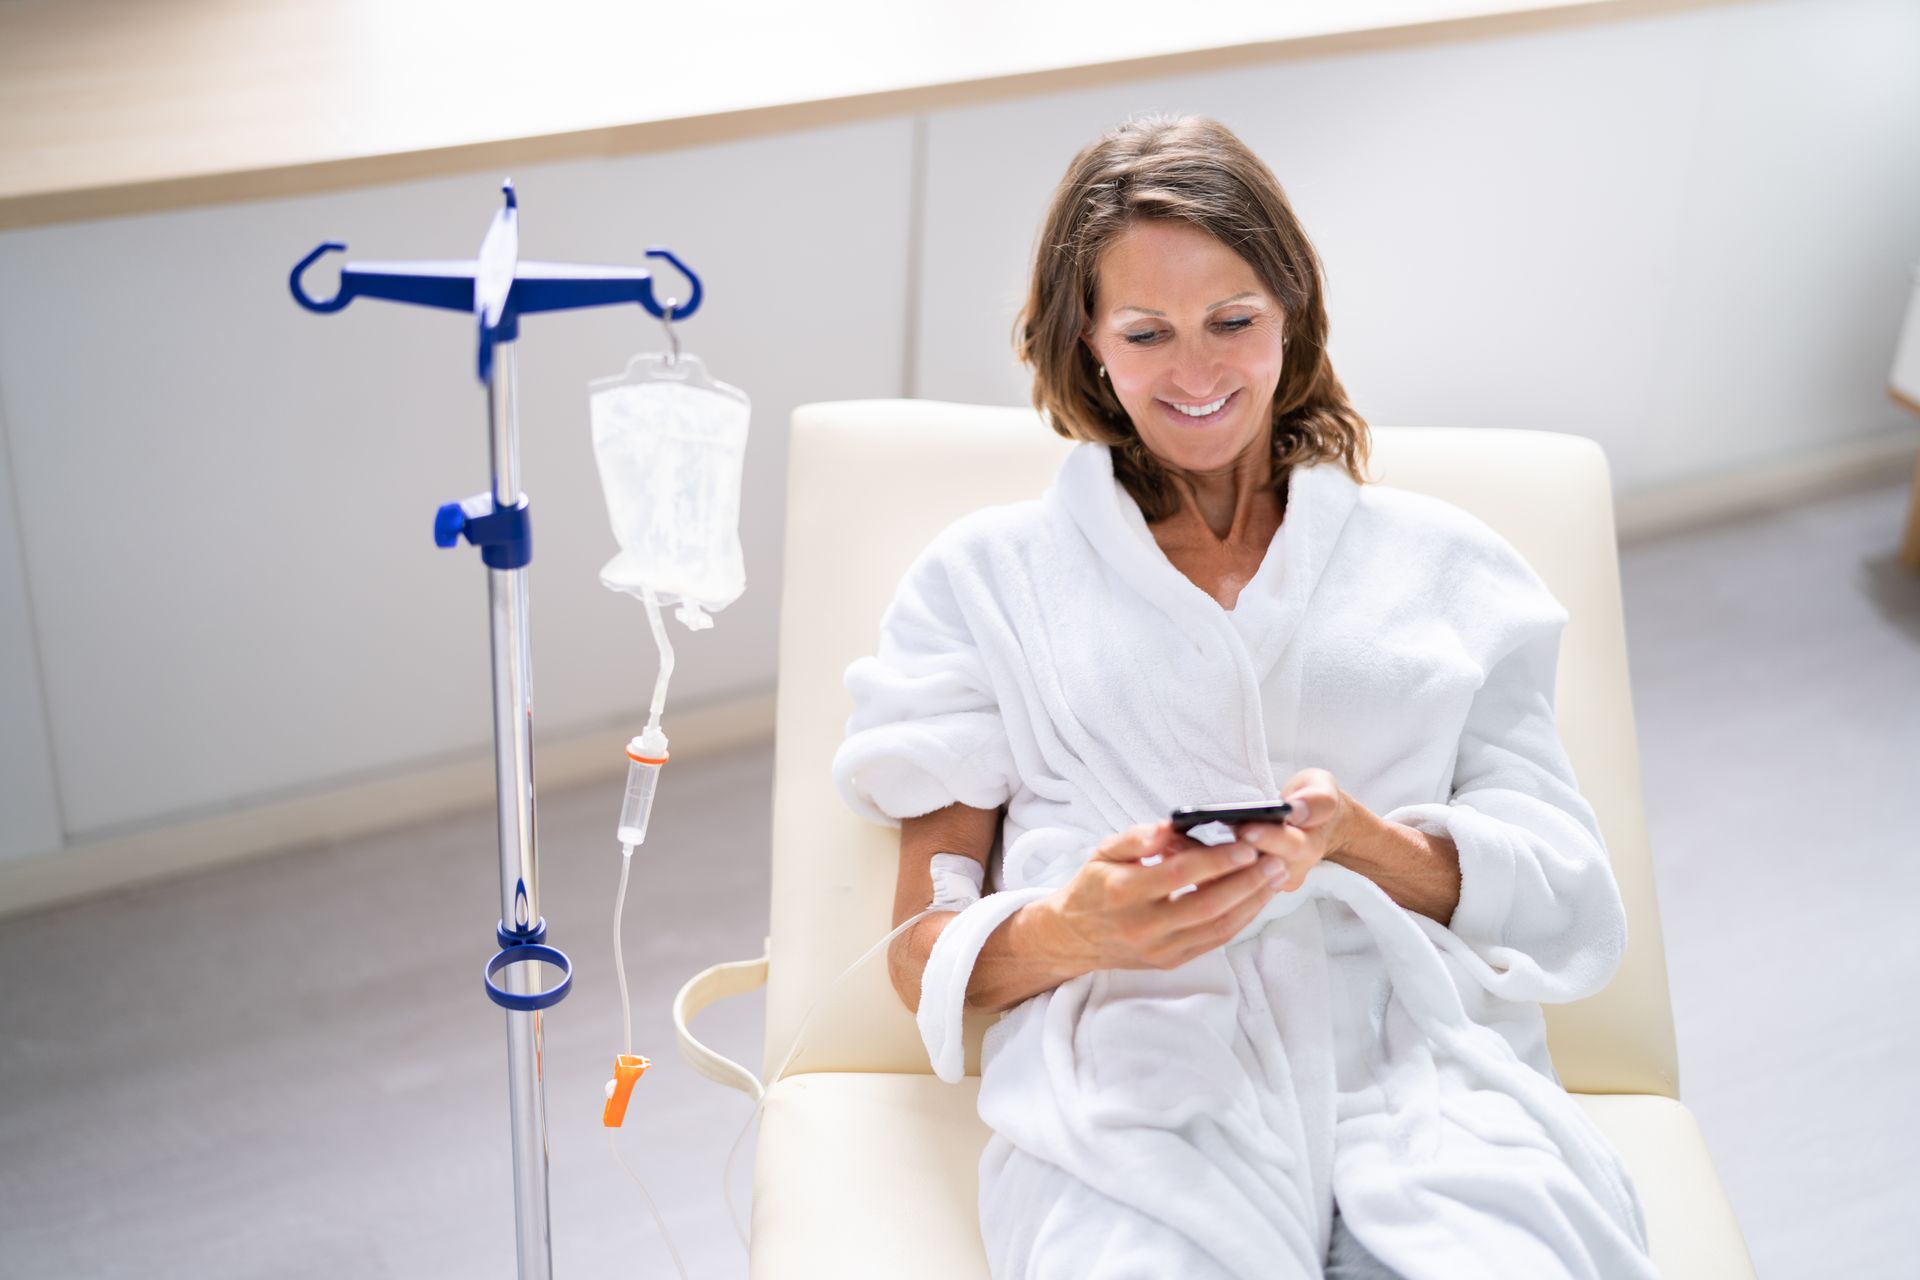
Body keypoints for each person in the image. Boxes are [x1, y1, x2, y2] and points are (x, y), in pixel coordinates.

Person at [832, 114, 1654, 1279]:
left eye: (1233, 321)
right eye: (1146, 332)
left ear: (1291, 313)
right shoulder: (986, 582)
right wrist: (1078, 927)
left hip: (1424, 1088)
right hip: (1137, 1101)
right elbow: (919, 949)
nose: (1198, 373)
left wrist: (1360, 840)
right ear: (1087, 339)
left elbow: (1564, 888)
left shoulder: (1448, 567)